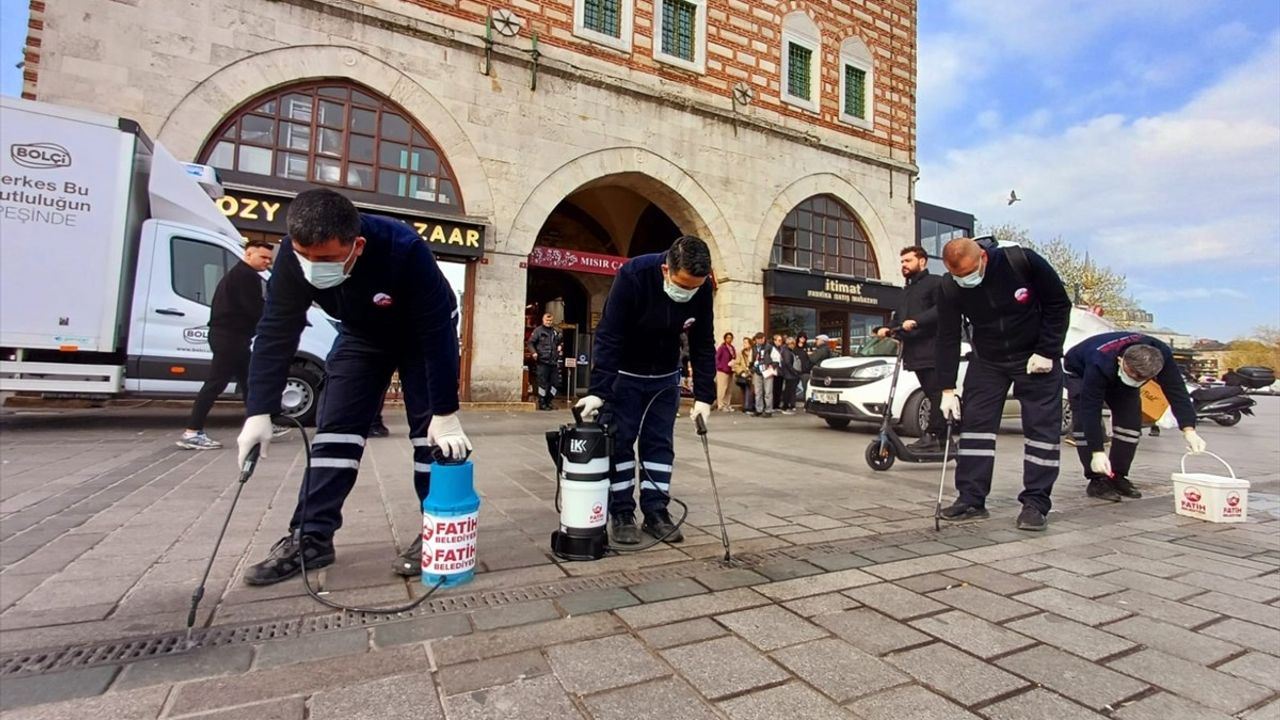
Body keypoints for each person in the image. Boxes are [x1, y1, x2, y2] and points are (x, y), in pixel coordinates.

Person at [235, 188, 471, 585]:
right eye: (304, 255)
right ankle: (310, 536)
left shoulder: (405, 250)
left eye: (325, 259)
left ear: (356, 245)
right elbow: (276, 331)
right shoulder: (294, 261)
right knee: (335, 431)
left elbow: (438, 335)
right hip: (361, 335)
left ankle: (437, 530)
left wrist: (445, 413)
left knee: (430, 437)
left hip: (421, 334)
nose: (313, 267)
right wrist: (258, 409)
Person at [574, 235, 715, 545]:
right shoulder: (633, 275)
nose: (688, 293)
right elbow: (609, 334)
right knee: (621, 442)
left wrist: (705, 396)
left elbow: (703, 342)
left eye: (695, 287)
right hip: (625, 375)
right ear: (666, 269)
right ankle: (622, 512)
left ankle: (656, 512)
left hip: (665, 377)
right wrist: (599, 390)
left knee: (659, 445)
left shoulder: (703, 287)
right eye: (683, 286)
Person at [935, 236, 1071, 532]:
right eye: (958, 276)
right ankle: (971, 498)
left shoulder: (1020, 261)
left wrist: (1048, 350)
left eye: (969, 274)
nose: (964, 281)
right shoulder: (949, 287)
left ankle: (1036, 503)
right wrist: (946, 387)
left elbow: (1059, 304)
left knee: (1041, 431)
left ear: (983, 257)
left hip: (1035, 356)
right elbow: (946, 336)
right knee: (975, 430)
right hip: (988, 360)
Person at [1065, 332, 1205, 501]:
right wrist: (1097, 451)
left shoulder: (1162, 355)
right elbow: (1090, 409)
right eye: (1134, 376)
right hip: (1080, 370)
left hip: (1120, 370)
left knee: (1130, 423)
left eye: (1143, 378)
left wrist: (1189, 429)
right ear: (1121, 361)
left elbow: (1177, 392)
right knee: (1083, 419)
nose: (1137, 380)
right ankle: (1097, 479)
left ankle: (1117, 475)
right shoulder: (1098, 361)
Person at [177, 240, 277, 450]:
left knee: (249, 380)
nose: (267, 262)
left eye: (270, 259)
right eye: (263, 257)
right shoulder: (246, 276)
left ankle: (259, 422)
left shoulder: (240, 274)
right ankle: (192, 432)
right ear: (248, 255)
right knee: (216, 383)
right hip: (230, 338)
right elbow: (255, 309)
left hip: (233, 337)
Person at [875, 246, 946, 450]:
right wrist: (887, 328)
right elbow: (899, 317)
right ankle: (936, 437)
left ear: (922, 261)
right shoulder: (906, 291)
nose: (904, 265)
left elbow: (941, 310)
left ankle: (935, 436)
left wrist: (916, 321)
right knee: (930, 392)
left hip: (932, 349)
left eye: (908, 261)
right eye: (902, 262)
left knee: (935, 393)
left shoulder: (935, 283)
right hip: (914, 351)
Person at [528, 312, 562, 411]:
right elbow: (530, 343)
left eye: (550, 320)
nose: (549, 322)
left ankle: (549, 401)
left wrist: (560, 346)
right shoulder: (538, 331)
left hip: (553, 362)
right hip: (542, 362)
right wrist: (534, 353)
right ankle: (542, 403)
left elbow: (560, 341)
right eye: (547, 320)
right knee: (542, 384)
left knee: (555, 384)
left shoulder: (555, 331)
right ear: (543, 320)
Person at [751, 332, 779, 417]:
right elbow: (751, 359)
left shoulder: (770, 347)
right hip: (757, 371)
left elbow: (776, 359)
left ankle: (768, 410)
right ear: (755, 340)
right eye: (758, 339)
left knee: (768, 392)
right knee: (758, 392)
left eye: (761, 339)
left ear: (764, 339)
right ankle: (759, 409)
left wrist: (771, 367)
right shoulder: (754, 348)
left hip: (767, 371)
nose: (759, 340)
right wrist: (752, 368)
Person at [715, 332, 737, 411]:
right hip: (722, 370)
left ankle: (727, 404)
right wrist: (720, 366)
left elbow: (734, 357)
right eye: (727, 338)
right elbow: (716, 358)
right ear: (725, 339)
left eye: (730, 338)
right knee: (722, 388)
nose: (729, 339)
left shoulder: (732, 348)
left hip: (730, 370)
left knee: (729, 388)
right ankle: (720, 405)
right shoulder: (722, 348)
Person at [779, 337, 801, 414]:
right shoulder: (787, 351)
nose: (794, 345)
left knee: (789, 390)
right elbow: (788, 363)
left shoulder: (786, 351)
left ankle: (787, 406)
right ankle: (785, 406)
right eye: (793, 344)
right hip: (790, 374)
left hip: (789, 374)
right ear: (790, 344)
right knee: (789, 391)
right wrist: (794, 372)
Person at [735, 335, 756, 413]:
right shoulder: (740, 353)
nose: (744, 344)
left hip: (752, 374)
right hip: (743, 375)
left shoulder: (754, 352)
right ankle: (746, 407)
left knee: (750, 390)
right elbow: (736, 364)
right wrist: (741, 372)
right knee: (745, 390)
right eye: (743, 343)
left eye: (746, 343)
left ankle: (749, 406)